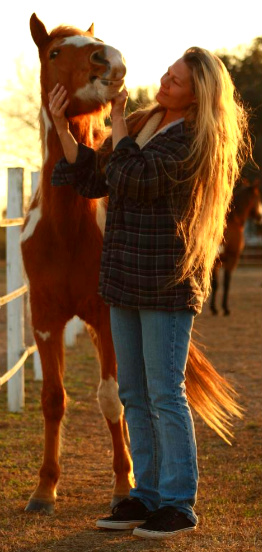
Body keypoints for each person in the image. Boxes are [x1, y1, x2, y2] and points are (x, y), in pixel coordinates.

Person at [49, 47, 250, 540]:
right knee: (134, 392)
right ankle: (146, 495)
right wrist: (61, 126)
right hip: (123, 274)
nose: (164, 83)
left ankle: (178, 503)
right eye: (166, 73)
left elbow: (134, 179)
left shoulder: (196, 139)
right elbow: (95, 177)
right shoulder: (145, 121)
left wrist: (118, 124)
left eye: (176, 81)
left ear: (199, 94)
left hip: (165, 278)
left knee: (165, 393)